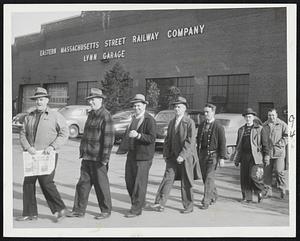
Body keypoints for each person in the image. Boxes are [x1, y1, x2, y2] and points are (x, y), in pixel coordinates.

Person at [17, 87, 69, 222]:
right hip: (32, 155)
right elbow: (22, 134)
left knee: (46, 182)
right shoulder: (30, 115)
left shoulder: (55, 116)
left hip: (48, 154)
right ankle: (30, 213)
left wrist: (53, 147)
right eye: (36, 100)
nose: (39, 102)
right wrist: (28, 148)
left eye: (41, 99)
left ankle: (60, 210)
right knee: (28, 183)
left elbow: (64, 133)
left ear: (47, 100)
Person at [67, 88, 114, 219]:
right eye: (90, 100)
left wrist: (105, 158)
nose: (91, 102)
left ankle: (106, 211)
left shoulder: (106, 115)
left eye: (93, 100)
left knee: (101, 185)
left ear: (100, 100)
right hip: (87, 156)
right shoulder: (91, 114)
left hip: (99, 158)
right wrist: (82, 151)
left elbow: (109, 139)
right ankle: (78, 210)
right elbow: (85, 136)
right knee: (83, 184)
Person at [151, 96, 201, 214]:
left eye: (179, 107)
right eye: (175, 106)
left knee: (186, 181)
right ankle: (160, 203)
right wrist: (165, 153)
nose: (176, 109)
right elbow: (168, 139)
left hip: (186, 157)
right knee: (167, 179)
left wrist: (182, 155)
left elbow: (190, 141)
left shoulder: (189, 122)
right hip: (172, 156)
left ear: (184, 109)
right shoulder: (172, 121)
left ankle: (188, 206)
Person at [118, 94, 156, 218]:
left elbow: (152, 138)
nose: (136, 108)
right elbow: (127, 135)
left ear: (144, 106)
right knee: (129, 181)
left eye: (139, 105)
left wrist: (139, 135)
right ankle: (140, 202)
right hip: (131, 155)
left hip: (144, 157)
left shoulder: (149, 120)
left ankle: (136, 209)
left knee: (139, 184)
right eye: (134, 105)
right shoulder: (133, 119)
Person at [233, 108, 270, 203]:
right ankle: (247, 197)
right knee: (244, 177)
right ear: (244, 118)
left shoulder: (259, 129)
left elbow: (265, 144)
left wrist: (266, 156)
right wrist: (237, 158)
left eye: (250, 117)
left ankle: (262, 190)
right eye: (246, 117)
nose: (248, 119)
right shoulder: (241, 129)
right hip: (244, 156)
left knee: (254, 176)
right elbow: (238, 145)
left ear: (253, 117)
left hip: (256, 156)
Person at [196, 103, 226, 210]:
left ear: (213, 112)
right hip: (202, 154)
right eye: (204, 112)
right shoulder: (202, 125)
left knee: (209, 177)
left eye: (207, 112)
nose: (205, 114)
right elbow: (197, 140)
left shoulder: (218, 126)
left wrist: (222, 158)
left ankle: (206, 201)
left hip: (213, 155)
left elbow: (222, 143)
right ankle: (214, 195)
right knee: (205, 178)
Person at [263, 108, 288, 199]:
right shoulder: (264, 125)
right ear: (267, 115)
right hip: (268, 153)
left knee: (279, 171)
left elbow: (287, 135)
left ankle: (282, 188)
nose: (271, 117)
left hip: (279, 152)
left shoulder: (282, 124)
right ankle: (268, 191)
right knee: (267, 172)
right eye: (269, 115)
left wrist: (280, 144)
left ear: (276, 115)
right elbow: (262, 139)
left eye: (273, 115)